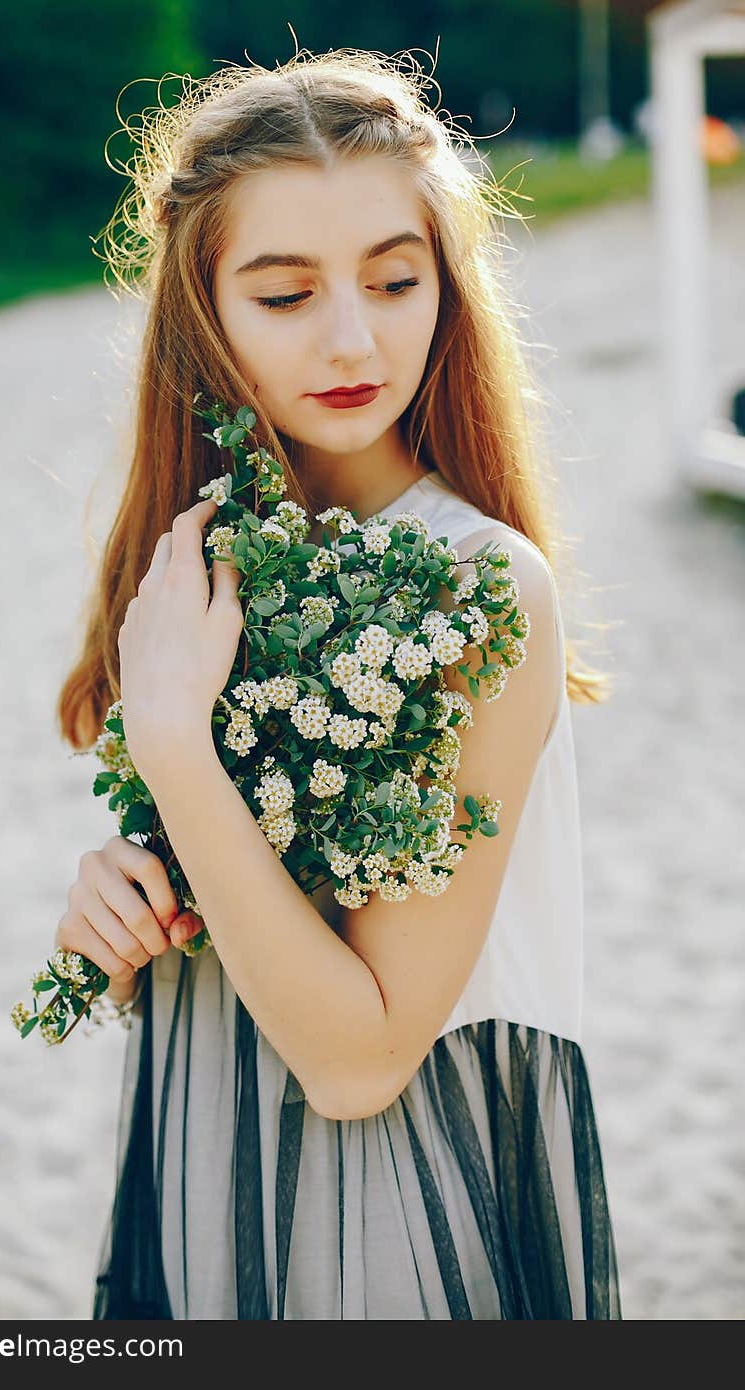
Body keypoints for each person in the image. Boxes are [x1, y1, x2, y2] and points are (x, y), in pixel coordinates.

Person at [54, 48, 622, 1319]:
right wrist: (124, 902)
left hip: (399, 1198)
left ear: (447, 287)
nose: (355, 337)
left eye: (395, 279)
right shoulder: (196, 562)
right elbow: (227, 869)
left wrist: (177, 747)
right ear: (202, 310)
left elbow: (362, 1061)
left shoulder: (482, 589)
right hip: (206, 1146)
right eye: (285, 293)